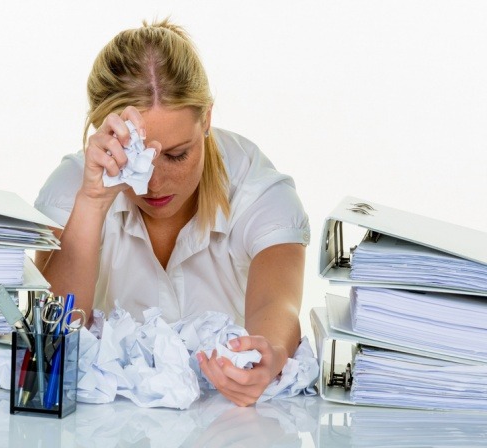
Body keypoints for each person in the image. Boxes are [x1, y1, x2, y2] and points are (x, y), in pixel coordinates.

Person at [34, 19, 310, 407]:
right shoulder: (71, 190)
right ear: (102, 129)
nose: (155, 183)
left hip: (227, 424)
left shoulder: (258, 189)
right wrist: (92, 205)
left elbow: (278, 304)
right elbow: (47, 345)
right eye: (137, 158)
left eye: (178, 154)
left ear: (208, 119)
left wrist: (269, 355)